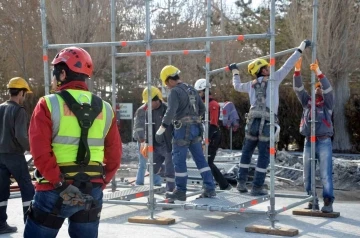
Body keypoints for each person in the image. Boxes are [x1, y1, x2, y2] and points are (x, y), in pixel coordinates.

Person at [24, 47, 122, 237]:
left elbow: (40, 151)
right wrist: (101, 181)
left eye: (54, 73)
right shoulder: (106, 108)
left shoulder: (48, 103)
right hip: (91, 188)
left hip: (55, 188)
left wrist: (58, 181)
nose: (53, 79)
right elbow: (115, 154)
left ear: (62, 73)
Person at [228, 40, 311, 196]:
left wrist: (235, 72)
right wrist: (300, 49)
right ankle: (257, 187)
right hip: (268, 122)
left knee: (247, 152)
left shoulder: (251, 84)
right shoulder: (274, 79)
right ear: (263, 71)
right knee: (264, 155)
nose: (269, 69)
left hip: (252, 122)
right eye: (267, 67)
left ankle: (241, 183)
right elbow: (288, 65)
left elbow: (236, 86)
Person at [156, 65, 216, 201]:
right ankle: (210, 188)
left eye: (166, 83)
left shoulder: (174, 92)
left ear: (170, 80)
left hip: (182, 130)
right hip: (196, 128)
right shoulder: (192, 89)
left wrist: (162, 128)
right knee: (200, 159)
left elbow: (170, 111)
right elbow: (202, 109)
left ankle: (181, 191)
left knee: (179, 161)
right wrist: (193, 118)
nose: (167, 86)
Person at [293, 58, 335, 213]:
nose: (318, 89)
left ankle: (328, 201)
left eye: (320, 88)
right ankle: (312, 200)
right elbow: (298, 89)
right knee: (307, 175)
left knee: (325, 174)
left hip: (324, 141)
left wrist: (318, 73)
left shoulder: (328, 103)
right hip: (308, 141)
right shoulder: (307, 102)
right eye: (316, 88)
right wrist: (297, 72)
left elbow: (328, 89)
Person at [0, 77, 35, 234]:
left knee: (1, 189)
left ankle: (0, 223)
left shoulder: (0, 108)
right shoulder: (19, 111)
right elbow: (21, 135)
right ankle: (30, 224)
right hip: (14, 155)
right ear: (21, 92)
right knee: (27, 188)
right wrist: (32, 148)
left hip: (0, 156)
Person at [194, 78, 231, 190]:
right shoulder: (202, 104)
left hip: (212, 135)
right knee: (207, 162)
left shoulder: (213, 104)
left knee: (208, 161)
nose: (198, 95)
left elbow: (213, 123)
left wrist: (207, 140)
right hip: (206, 135)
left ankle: (223, 184)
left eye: (199, 92)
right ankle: (218, 184)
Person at [140, 86, 175, 192]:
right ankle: (170, 172)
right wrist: (146, 142)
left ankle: (170, 191)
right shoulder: (148, 112)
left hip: (168, 145)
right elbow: (147, 127)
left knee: (169, 170)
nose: (147, 105)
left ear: (156, 100)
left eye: (149, 102)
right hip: (156, 145)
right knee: (151, 168)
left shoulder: (167, 109)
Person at [133, 103, 161, 186]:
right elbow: (139, 126)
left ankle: (146, 182)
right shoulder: (143, 110)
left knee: (152, 161)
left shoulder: (149, 109)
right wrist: (142, 140)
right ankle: (143, 182)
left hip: (151, 140)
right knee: (144, 162)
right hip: (145, 141)